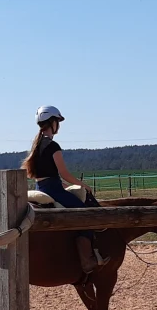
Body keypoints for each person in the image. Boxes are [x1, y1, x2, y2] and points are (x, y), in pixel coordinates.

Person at [23, 105, 101, 275]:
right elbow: (64, 173)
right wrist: (83, 185)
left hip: (41, 187)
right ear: (52, 123)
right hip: (53, 190)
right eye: (57, 122)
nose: (58, 125)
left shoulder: (36, 146)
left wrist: (63, 185)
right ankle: (87, 260)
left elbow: (45, 175)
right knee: (85, 214)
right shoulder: (53, 146)